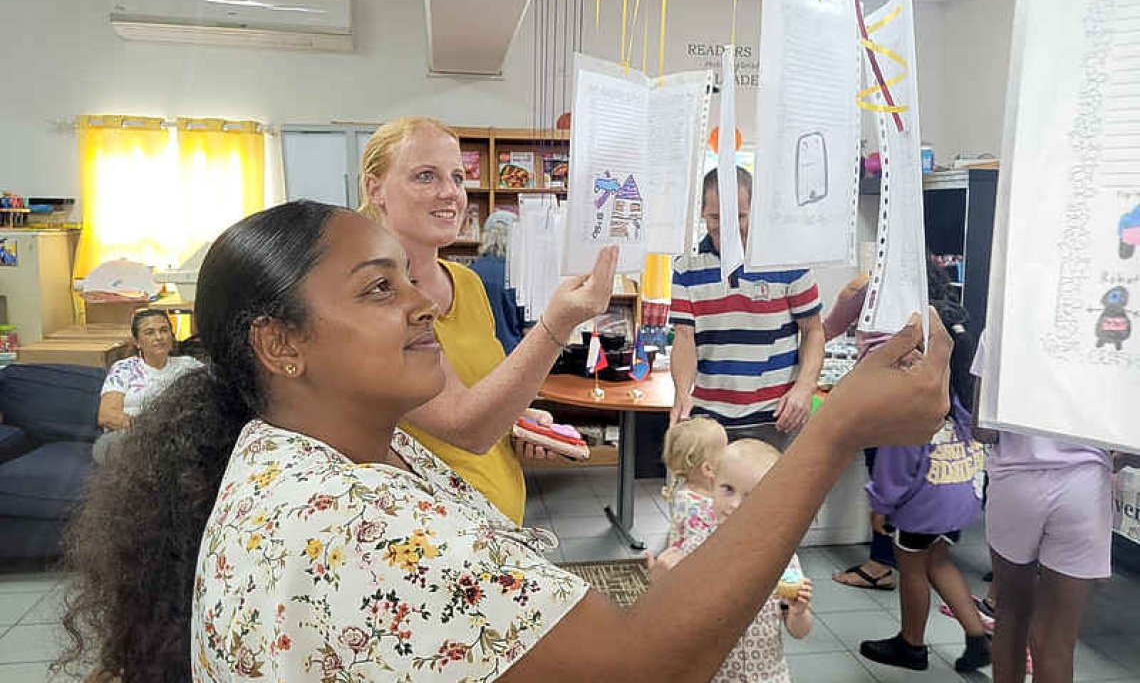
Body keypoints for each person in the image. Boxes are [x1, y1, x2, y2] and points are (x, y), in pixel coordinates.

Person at [55, 201, 955, 683]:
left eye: (411, 280)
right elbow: (647, 668)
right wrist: (836, 431)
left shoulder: (316, 452)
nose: (421, 300)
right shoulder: (348, 521)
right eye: (379, 289)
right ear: (279, 344)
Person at [358, 116, 614, 525]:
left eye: (458, 177)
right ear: (376, 189)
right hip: (434, 535)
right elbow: (465, 426)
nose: (450, 193)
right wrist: (558, 323)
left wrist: (518, 421)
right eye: (426, 176)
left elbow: (480, 395)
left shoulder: (468, 283)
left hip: (498, 524)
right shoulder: (374, 301)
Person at [971, 328, 1113, 683]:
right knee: (1057, 641)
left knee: (1011, 617)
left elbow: (982, 429)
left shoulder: (1003, 324)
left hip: (1015, 483)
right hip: (1083, 488)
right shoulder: (1116, 329)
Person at [859, 300, 991, 673]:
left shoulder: (913, 406)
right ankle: (977, 636)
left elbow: (895, 469)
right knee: (939, 562)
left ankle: (911, 644)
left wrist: (880, 506)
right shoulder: (961, 400)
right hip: (956, 502)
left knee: (912, 569)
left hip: (923, 507)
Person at [669, 167, 824, 448]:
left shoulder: (786, 258)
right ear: (702, 213)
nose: (727, 227)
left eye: (738, 217)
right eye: (716, 217)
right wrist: (682, 392)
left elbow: (813, 331)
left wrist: (804, 387)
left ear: (755, 211)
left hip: (776, 416)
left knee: (776, 493)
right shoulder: (686, 266)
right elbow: (684, 337)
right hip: (708, 420)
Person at [650, 439, 814, 683]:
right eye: (727, 489)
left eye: (752, 495)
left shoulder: (782, 557)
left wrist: (798, 612)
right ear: (712, 485)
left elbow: (798, 631)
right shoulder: (695, 550)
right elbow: (667, 622)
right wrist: (661, 583)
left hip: (768, 677)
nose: (735, 505)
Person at [822, 273, 898, 590]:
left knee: (883, 479)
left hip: (880, 396)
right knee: (904, 480)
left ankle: (881, 565)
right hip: (922, 397)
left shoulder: (865, 284)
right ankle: (903, 559)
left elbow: (827, 328)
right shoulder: (928, 281)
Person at [93, 308, 200, 465]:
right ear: (137, 342)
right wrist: (151, 429)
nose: (159, 337)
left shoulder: (189, 366)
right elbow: (107, 415)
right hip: (129, 437)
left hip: (177, 437)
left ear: (172, 336)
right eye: (149, 332)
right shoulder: (124, 368)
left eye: (164, 330)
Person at [660, 417, 728, 554]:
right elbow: (697, 548)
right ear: (708, 469)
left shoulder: (693, 493)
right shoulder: (697, 505)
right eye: (726, 450)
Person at [468, 210, 526, 353]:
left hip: (475, 357)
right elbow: (530, 330)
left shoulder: (468, 272)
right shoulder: (519, 275)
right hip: (510, 357)